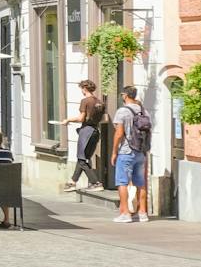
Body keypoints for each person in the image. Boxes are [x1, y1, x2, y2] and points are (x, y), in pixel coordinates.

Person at [112, 84, 152, 223]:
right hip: (141, 151)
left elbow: (119, 133)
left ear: (125, 96)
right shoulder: (144, 111)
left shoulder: (122, 112)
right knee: (140, 183)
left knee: (122, 181)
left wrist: (114, 152)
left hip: (126, 151)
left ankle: (125, 213)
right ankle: (142, 213)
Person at [60, 79, 107, 192]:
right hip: (95, 131)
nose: (81, 91)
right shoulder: (100, 102)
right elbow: (104, 119)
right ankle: (72, 182)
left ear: (84, 89)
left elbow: (81, 118)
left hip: (86, 131)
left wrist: (68, 120)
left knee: (82, 159)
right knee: (83, 158)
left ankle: (95, 183)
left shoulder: (85, 101)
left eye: (81, 88)